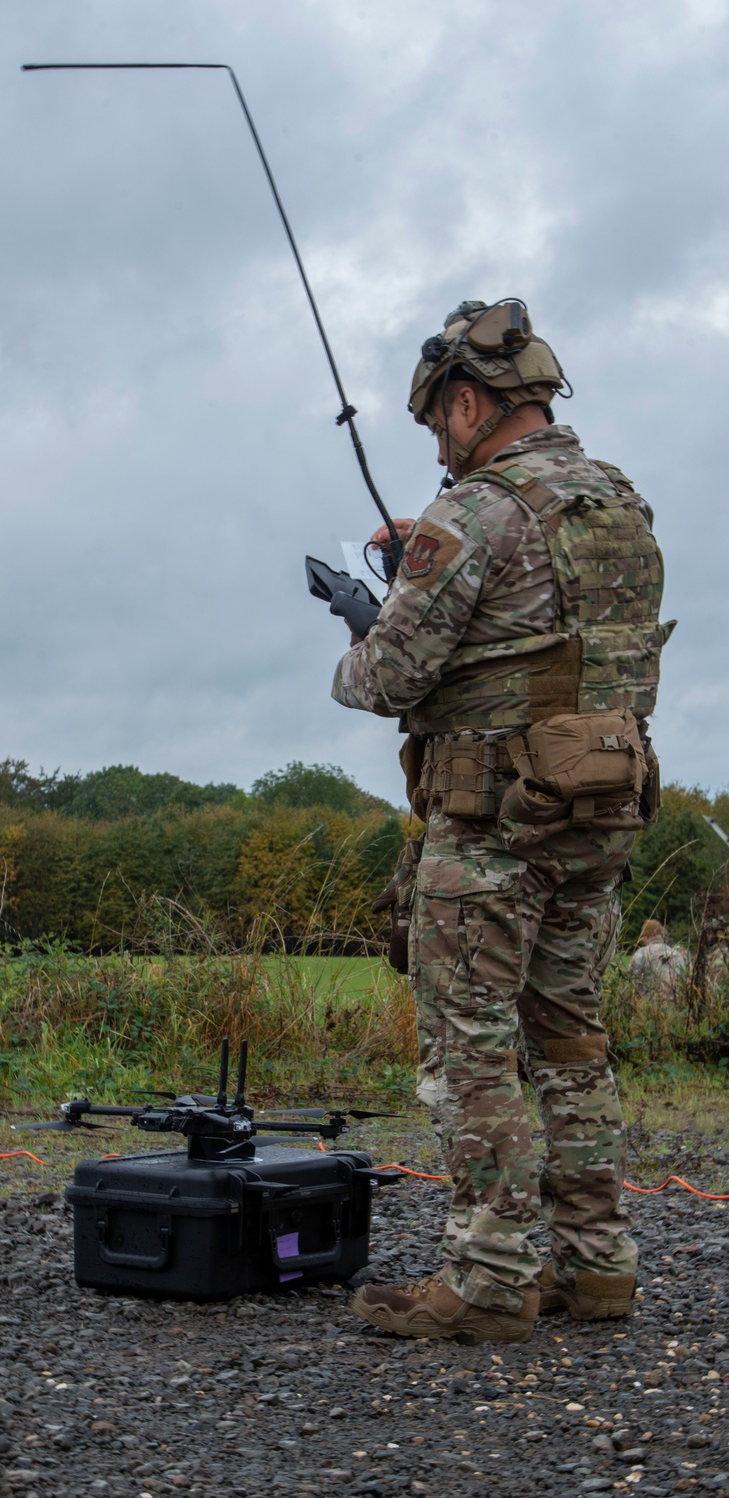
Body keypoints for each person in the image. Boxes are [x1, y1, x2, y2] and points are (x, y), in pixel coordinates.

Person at [331, 299, 673, 1343]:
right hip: (599, 813)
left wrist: (370, 620)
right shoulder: (617, 503)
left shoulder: (474, 515)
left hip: (490, 825)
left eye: (438, 424)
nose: (437, 445)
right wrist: (428, 563)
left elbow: (385, 678)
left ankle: (486, 1278)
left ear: (470, 402)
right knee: (570, 1043)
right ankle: (596, 1263)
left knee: (470, 1050)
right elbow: (551, 638)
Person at [627, 918, 688, 999]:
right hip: (675, 1007)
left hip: (648, 1008)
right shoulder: (677, 955)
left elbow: (630, 982)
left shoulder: (642, 954)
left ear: (646, 937)